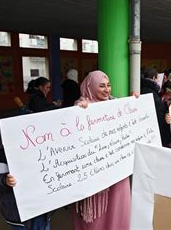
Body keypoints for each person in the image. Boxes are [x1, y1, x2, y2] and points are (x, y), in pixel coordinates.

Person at [72, 71, 132, 230]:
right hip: (96, 175)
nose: (107, 90)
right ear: (90, 87)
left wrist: (136, 103)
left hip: (117, 173)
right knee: (97, 219)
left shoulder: (117, 104)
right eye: (101, 86)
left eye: (109, 85)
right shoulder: (81, 106)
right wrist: (79, 111)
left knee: (118, 210)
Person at [0, 147, 52, 230]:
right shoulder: (4, 153)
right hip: (18, 215)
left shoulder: (45, 146)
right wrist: (5, 180)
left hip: (43, 212)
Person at [141, 68, 171, 148]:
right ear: (154, 78)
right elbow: (158, 112)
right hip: (155, 131)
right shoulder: (151, 91)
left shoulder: (144, 88)